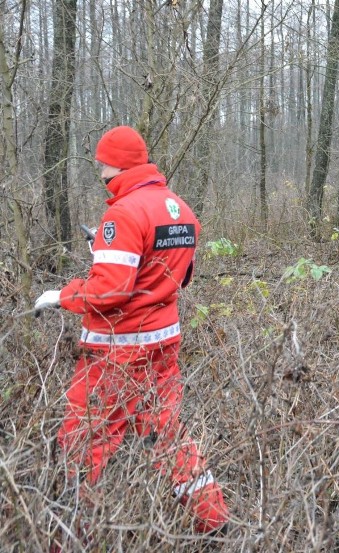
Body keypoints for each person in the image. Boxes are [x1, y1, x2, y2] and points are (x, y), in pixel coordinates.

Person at [33, 126, 229, 535]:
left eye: (101, 163)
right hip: (162, 347)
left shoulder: (122, 213)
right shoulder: (181, 209)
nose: (99, 171)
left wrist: (61, 295)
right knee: (167, 436)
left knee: (84, 441)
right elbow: (178, 277)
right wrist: (108, 252)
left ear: (113, 164)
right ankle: (213, 522)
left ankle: (68, 537)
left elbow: (111, 289)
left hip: (116, 354)